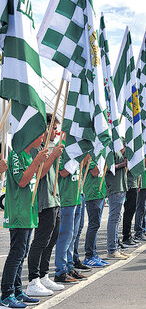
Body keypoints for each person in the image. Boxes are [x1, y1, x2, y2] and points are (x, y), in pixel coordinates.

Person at [0, 133, 48, 308]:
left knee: (22, 253)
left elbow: (38, 176)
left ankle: (17, 291)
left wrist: (43, 160)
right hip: (19, 211)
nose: (43, 139)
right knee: (17, 252)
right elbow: (22, 181)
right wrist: (36, 161)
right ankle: (6, 294)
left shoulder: (29, 155)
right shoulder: (16, 154)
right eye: (41, 135)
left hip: (28, 211)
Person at [27, 115, 65, 295]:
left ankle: (44, 276)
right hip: (44, 201)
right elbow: (40, 173)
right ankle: (33, 280)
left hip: (54, 199)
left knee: (52, 239)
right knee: (41, 241)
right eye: (54, 128)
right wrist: (53, 155)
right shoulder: (37, 150)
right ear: (46, 128)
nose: (56, 131)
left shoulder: (47, 148)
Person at [54, 133, 87, 284]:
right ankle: (60, 271)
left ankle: (69, 266)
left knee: (72, 236)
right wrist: (78, 158)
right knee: (65, 236)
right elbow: (63, 172)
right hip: (66, 199)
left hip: (76, 197)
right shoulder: (62, 149)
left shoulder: (76, 150)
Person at [82, 155, 109, 267]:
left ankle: (94, 254)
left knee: (96, 225)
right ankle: (89, 255)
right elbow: (95, 172)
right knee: (93, 225)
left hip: (100, 193)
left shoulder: (97, 154)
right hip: (92, 194)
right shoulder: (89, 156)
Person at [105, 145, 129, 259]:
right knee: (114, 219)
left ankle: (115, 247)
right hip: (115, 188)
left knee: (117, 219)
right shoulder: (111, 149)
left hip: (121, 187)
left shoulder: (118, 151)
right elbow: (108, 168)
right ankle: (112, 249)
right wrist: (122, 164)